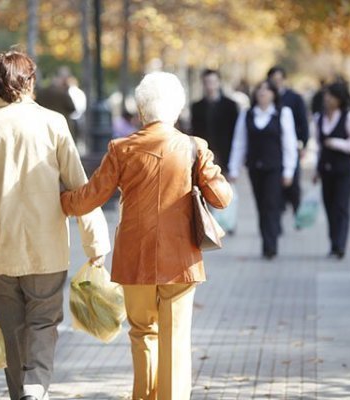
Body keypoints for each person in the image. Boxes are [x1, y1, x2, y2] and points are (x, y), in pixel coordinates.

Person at [61, 72, 232, 400]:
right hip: (180, 260)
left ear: (141, 111)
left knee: (141, 333)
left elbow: (88, 198)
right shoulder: (193, 148)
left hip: (134, 258)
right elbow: (221, 198)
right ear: (178, 109)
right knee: (175, 338)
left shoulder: (121, 149)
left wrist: (60, 202)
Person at [0, 51, 110, 400]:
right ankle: (35, 388)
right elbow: (80, 189)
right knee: (42, 324)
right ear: (30, 82)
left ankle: (21, 393)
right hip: (46, 249)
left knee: (11, 331)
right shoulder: (52, 123)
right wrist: (95, 243)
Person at [228, 80, 298, 259]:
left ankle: (271, 244)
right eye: (259, 90)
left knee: (271, 204)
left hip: (274, 167)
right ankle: (266, 240)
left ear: (274, 94)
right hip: (254, 168)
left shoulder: (283, 113)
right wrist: (233, 169)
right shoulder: (247, 114)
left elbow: (289, 143)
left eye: (267, 90)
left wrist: (289, 170)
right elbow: (239, 143)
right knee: (261, 205)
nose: (262, 93)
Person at [312, 82, 350, 259]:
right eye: (326, 95)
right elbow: (318, 147)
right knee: (329, 206)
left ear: (339, 99)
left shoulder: (349, 117)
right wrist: (316, 169)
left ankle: (340, 244)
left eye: (331, 96)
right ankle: (333, 243)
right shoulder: (319, 118)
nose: (327, 99)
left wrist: (337, 143)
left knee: (341, 206)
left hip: (344, 168)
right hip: (326, 169)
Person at [267, 66, 308, 216]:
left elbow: (303, 122)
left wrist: (303, 143)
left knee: (293, 180)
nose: (276, 83)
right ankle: (281, 207)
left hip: (292, 146)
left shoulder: (295, 98)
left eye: (279, 80)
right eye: (273, 80)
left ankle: (296, 207)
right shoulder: (266, 97)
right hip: (274, 149)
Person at [190, 69, 239, 173]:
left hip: (226, 154)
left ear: (218, 82)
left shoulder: (230, 105)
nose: (210, 86)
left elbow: (235, 132)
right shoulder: (197, 107)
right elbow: (195, 132)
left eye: (213, 82)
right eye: (207, 82)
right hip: (204, 154)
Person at [35, 66, 77, 137]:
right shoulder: (63, 93)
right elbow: (72, 108)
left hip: (45, 127)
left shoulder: (41, 93)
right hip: (62, 127)